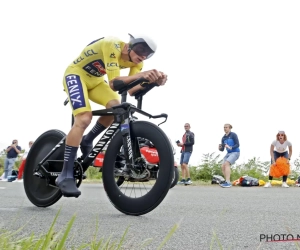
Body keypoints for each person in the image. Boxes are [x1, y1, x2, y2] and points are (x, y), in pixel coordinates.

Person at [57, 33, 168, 197]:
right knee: (84, 117)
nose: (142, 55)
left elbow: (131, 90)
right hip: (76, 74)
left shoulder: (138, 62)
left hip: (95, 81)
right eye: (140, 49)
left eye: (147, 54)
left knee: (117, 109)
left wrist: (153, 83)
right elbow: (114, 83)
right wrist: (140, 76)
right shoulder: (112, 45)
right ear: (129, 45)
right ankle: (65, 174)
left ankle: (87, 139)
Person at [218, 124, 240, 188]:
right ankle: (227, 181)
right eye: (224, 127)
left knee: (227, 163)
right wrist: (220, 148)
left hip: (235, 152)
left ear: (230, 128)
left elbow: (238, 144)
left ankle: (228, 182)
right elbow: (222, 149)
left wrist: (231, 147)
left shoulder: (233, 135)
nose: (225, 129)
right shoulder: (223, 137)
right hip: (228, 153)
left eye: (226, 127)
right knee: (223, 166)